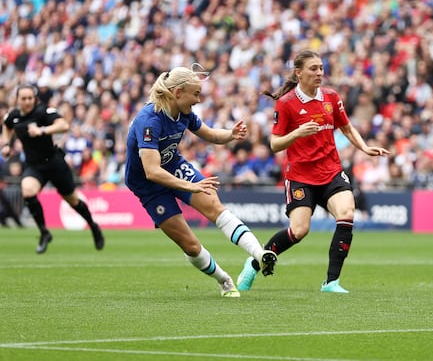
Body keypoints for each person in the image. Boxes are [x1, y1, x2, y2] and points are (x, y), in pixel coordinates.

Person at [237, 50, 390, 294]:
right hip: (300, 177)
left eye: (321, 68)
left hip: (330, 172)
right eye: (313, 69)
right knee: (299, 230)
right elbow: (275, 144)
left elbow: (346, 127)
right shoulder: (286, 103)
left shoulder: (331, 96)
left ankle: (331, 283)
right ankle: (254, 262)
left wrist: (364, 147)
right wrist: (297, 132)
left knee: (347, 213)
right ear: (298, 73)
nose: (319, 73)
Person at [125, 65, 276, 298]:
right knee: (191, 245)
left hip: (174, 166)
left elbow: (211, 134)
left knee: (215, 206)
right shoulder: (149, 120)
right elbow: (152, 171)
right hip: (149, 186)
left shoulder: (183, 113)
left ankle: (258, 254)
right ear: (177, 93)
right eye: (195, 94)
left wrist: (231, 134)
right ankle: (224, 280)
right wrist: (190, 186)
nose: (198, 99)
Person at [1, 85, 104, 253]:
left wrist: (42, 130)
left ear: (34, 99)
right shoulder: (13, 116)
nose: (27, 102)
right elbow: (6, 127)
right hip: (34, 166)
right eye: (23, 98)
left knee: (73, 201)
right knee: (27, 190)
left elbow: (63, 125)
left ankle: (93, 226)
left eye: (30, 98)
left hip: (54, 163)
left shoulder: (43, 112)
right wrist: (6, 144)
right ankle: (44, 233)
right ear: (17, 100)